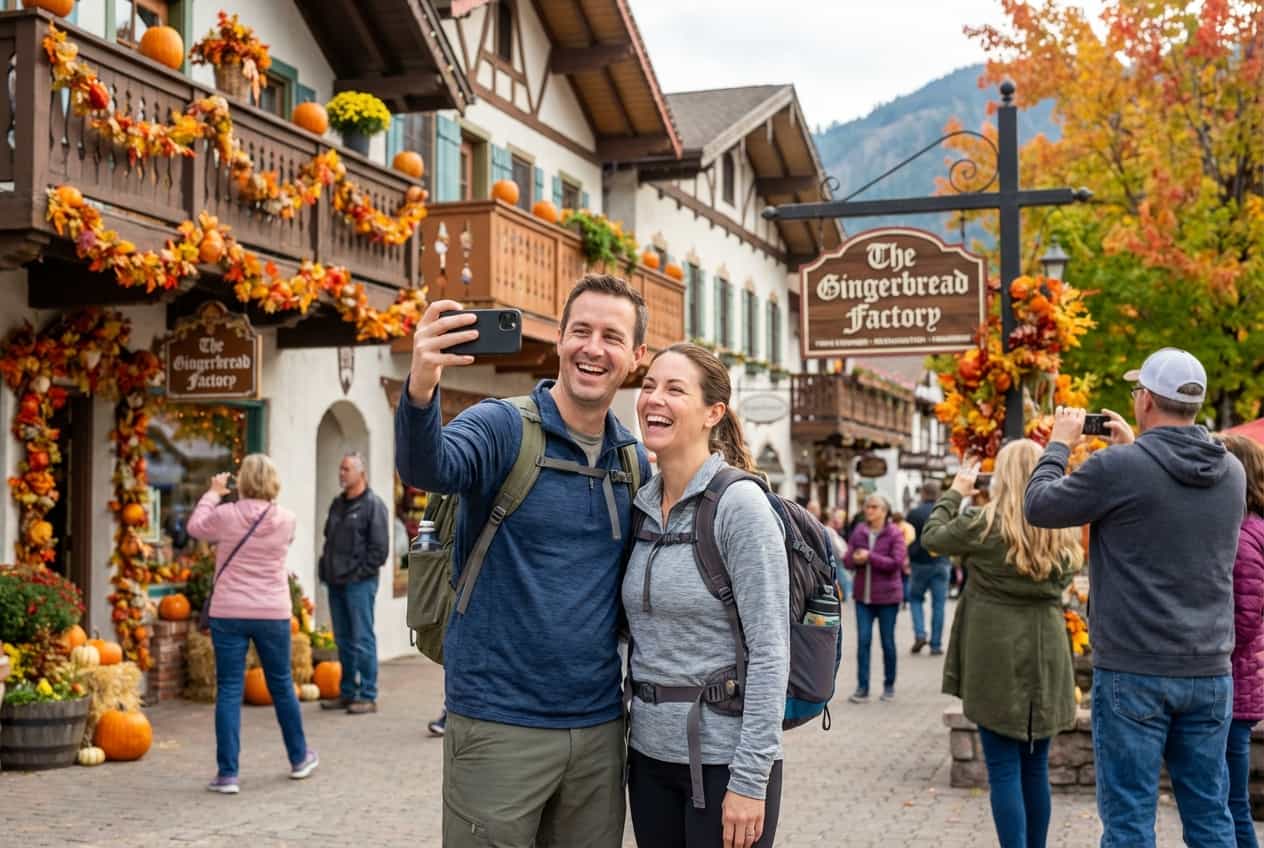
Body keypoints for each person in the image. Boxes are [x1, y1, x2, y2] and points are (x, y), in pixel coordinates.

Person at [395, 274, 652, 847]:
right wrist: (421, 385)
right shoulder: (502, 425)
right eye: (580, 330)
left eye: (612, 336)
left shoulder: (633, 463)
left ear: (635, 357)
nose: (593, 347)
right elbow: (428, 467)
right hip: (496, 725)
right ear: (559, 338)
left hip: (598, 729)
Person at [1024, 348, 1246, 846]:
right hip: (1209, 668)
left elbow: (1038, 505)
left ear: (1145, 398)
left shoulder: (1121, 468)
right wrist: (1135, 447)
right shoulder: (1232, 472)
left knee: (1129, 823)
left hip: (1134, 669)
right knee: (1212, 817)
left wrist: (1058, 445)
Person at [624, 343, 789, 848]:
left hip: (724, 761)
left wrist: (750, 780)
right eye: (649, 386)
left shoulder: (740, 506)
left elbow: (769, 652)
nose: (655, 399)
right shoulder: (643, 503)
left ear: (713, 413)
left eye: (675, 389)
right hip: (648, 759)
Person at [923, 441, 1083, 848]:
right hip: (1047, 650)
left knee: (1003, 770)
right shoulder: (1061, 532)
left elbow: (932, 536)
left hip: (994, 653)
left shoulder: (983, 525)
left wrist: (957, 490)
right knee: (1036, 769)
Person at [187, 454, 318, 794]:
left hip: (228, 611)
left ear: (241, 481)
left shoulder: (226, 516)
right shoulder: (286, 520)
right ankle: (299, 757)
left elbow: (195, 527)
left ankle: (228, 774)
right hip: (272, 611)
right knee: (282, 685)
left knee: (229, 690)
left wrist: (214, 493)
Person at [317, 452, 390, 714]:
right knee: (344, 639)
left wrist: (360, 574)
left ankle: (368, 694)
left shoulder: (373, 505)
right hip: (336, 582)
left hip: (359, 583)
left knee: (362, 638)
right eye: (340, 468)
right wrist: (325, 569)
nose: (341, 473)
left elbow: (380, 549)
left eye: (346, 469)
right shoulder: (338, 504)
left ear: (361, 473)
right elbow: (329, 539)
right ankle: (348, 692)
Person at [1219, 434, 1264, 847]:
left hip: (1234, 686)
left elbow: (1245, 619)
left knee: (1231, 804)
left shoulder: (1244, 536)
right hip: (1238, 686)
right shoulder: (1247, 528)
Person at [845, 493, 907, 703]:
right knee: (863, 641)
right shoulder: (859, 532)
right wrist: (854, 559)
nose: (868, 510)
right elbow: (846, 561)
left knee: (887, 642)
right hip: (863, 597)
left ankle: (889, 685)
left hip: (888, 598)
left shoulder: (895, 534)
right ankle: (862, 687)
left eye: (873, 507)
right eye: (866, 506)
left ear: (884, 511)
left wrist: (870, 557)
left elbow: (896, 563)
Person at [906, 480, 952, 655]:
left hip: (919, 562)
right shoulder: (946, 512)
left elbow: (908, 537)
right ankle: (936, 644)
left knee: (915, 599)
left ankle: (920, 633)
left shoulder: (914, 513)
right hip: (941, 561)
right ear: (938, 494)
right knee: (939, 605)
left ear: (923, 494)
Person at [892, 510, 915, 608]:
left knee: (897, 578)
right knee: (906, 579)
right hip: (907, 556)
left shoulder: (892, 527)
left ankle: (898, 598)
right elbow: (912, 540)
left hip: (895, 555)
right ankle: (905, 600)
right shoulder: (909, 527)